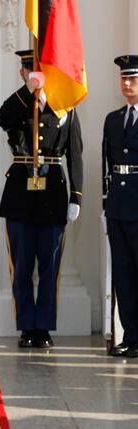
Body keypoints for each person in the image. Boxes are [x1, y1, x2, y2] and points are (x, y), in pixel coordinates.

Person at [0, 50, 83, 349]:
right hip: (20, 194)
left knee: (50, 266)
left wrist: (77, 197)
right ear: (23, 74)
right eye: (28, 71)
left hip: (53, 195)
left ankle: (43, 327)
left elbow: (75, 154)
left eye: (39, 71)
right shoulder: (18, 106)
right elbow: (2, 118)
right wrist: (29, 91)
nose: (34, 75)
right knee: (20, 266)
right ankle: (26, 326)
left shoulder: (64, 108)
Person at [104, 54, 138, 359]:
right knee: (124, 274)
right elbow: (109, 162)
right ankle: (130, 336)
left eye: (133, 78)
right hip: (117, 206)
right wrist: (107, 200)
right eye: (123, 79)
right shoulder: (113, 119)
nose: (127, 84)